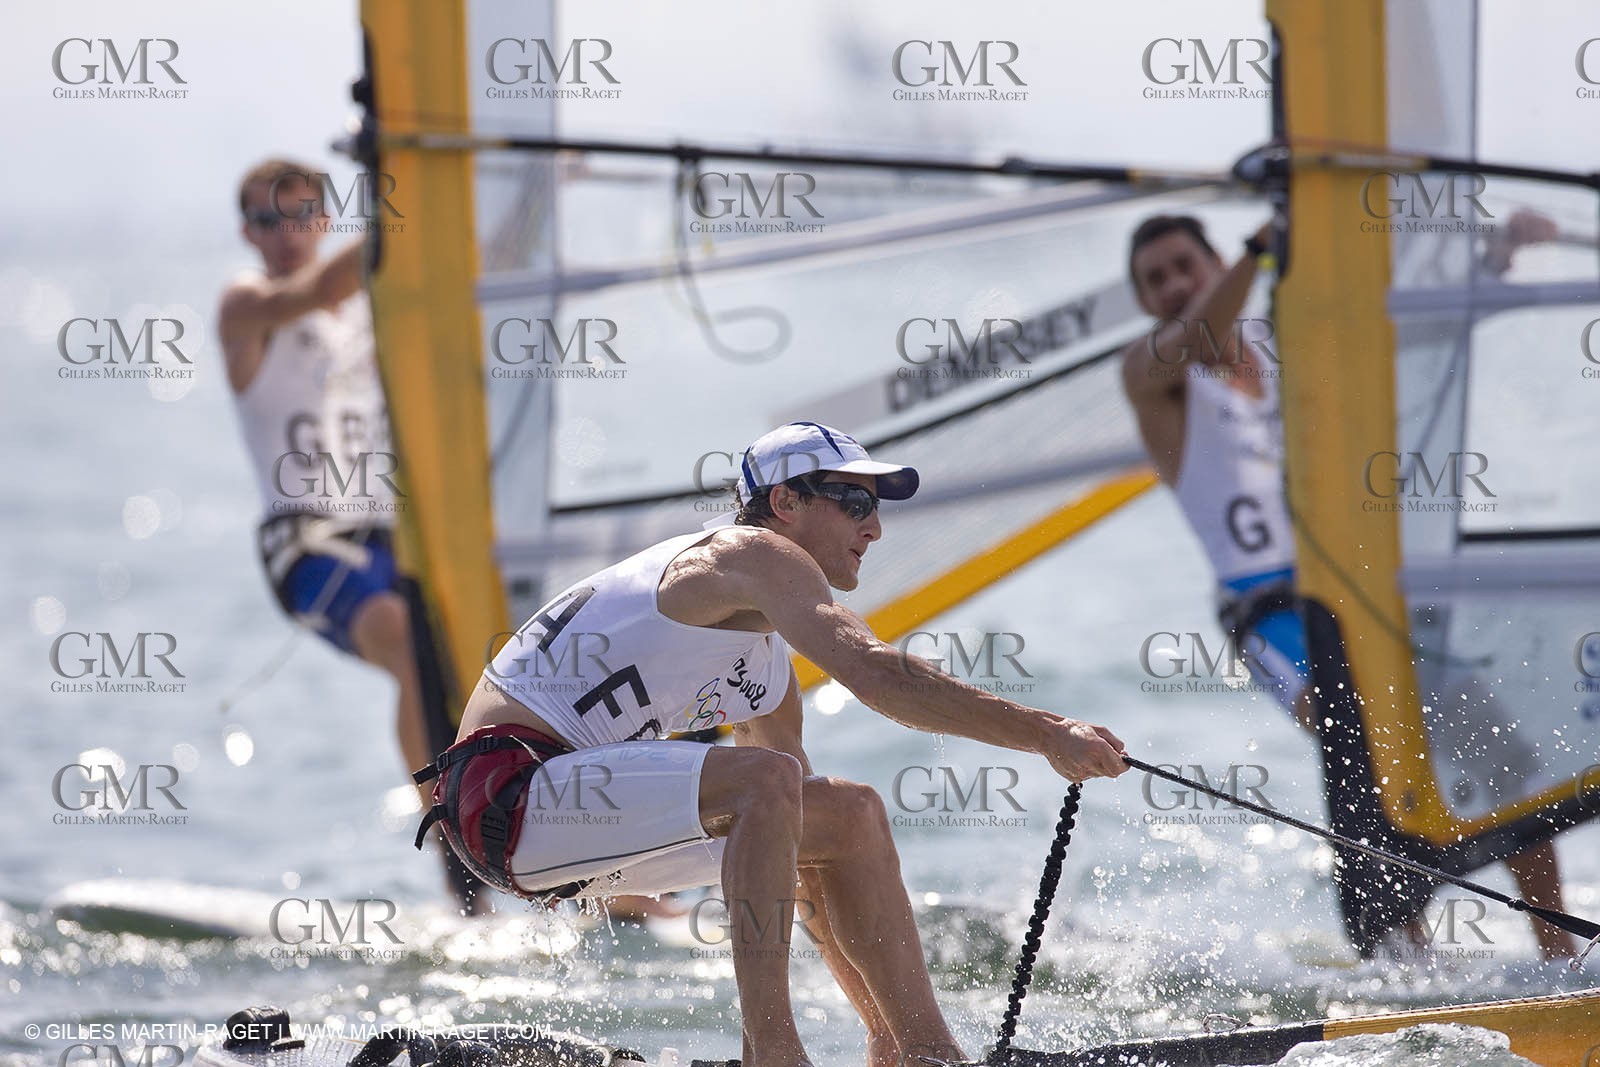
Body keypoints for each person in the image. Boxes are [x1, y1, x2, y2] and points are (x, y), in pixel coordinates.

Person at [414, 421, 1129, 1067]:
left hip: (567, 826)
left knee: (845, 816)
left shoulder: (763, 665)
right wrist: (1048, 733)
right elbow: (877, 674)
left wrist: (875, 1027)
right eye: (854, 502)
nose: (876, 527)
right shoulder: (745, 552)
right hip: (501, 794)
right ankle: (773, 1054)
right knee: (766, 780)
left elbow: (801, 854)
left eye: (878, 508)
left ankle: (920, 1052)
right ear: (785, 503)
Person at [1116, 211, 1575, 960]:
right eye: (1155, 278)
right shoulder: (1149, 373)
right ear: (1144, 302)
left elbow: (1412, 342)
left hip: (1358, 593)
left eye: (1183, 267)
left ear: (1210, 262)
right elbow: (1196, 334)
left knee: (1500, 750)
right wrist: (1262, 250)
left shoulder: (1291, 348)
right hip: (1271, 615)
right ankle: (1405, 966)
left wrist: (1494, 255)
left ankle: (1562, 956)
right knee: (1361, 739)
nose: (1172, 285)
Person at [218, 159, 480, 910]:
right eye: (269, 221)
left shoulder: (372, 307)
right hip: (305, 547)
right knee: (406, 640)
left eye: (301, 216)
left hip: (393, 535)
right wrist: (412, 208)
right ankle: (459, 876)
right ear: (247, 233)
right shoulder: (247, 305)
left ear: (323, 221)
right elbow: (318, 288)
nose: (286, 235)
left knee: (497, 651)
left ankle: (581, 863)